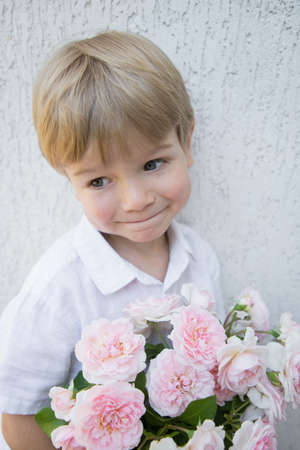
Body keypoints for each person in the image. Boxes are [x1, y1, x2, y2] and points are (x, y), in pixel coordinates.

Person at [0, 30, 225, 449]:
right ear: (69, 178)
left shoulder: (200, 257)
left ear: (187, 141)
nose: (136, 201)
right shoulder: (58, 290)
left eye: (153, 163)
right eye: (100, 180)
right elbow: (17, 416)